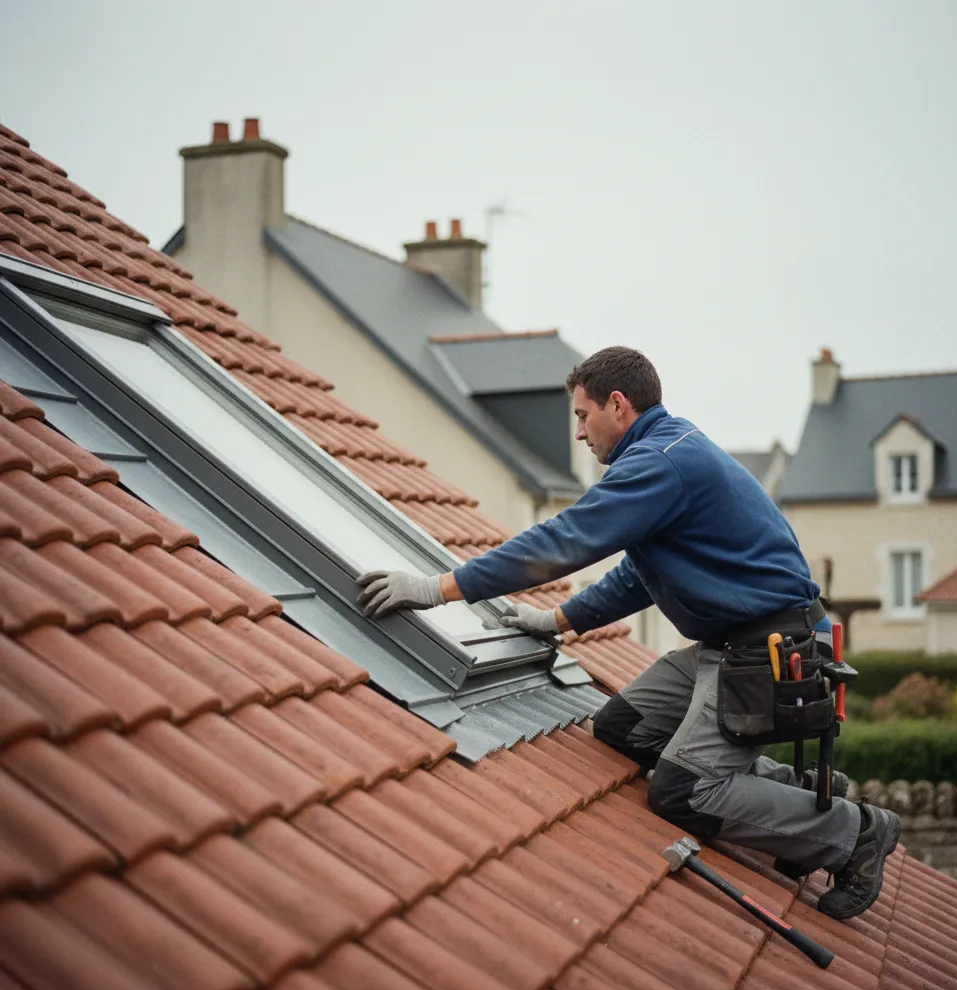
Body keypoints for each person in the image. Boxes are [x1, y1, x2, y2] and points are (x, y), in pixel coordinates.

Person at [357, 346, 900, 921]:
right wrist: (556, 620)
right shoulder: (666, 454)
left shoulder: (659, 463)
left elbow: (563, 540)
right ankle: (795, 790)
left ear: (618, 405)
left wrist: (437, 589)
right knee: (623, 728)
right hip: (730, 647)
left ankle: (854, 833)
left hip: (768, 653)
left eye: (583, 415)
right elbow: (640, 577)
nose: (579, 433)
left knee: (683, 791)